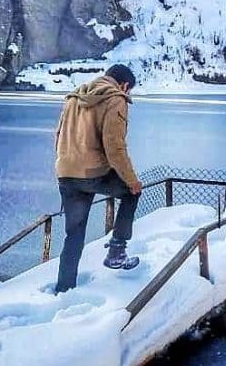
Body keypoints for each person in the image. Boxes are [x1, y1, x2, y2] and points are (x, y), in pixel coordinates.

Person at [53, 64, 143, 294]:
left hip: (66, 172)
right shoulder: (115, 99)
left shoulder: (74, 97)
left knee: (74, 234)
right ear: (124, 85)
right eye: (129, 90)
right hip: (94, 174)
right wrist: (132, 181)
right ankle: (116, 251)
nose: (128, 94)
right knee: (132, 193)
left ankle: (64, 289)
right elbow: (115, 148)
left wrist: (64, 166)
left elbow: (59, 135)